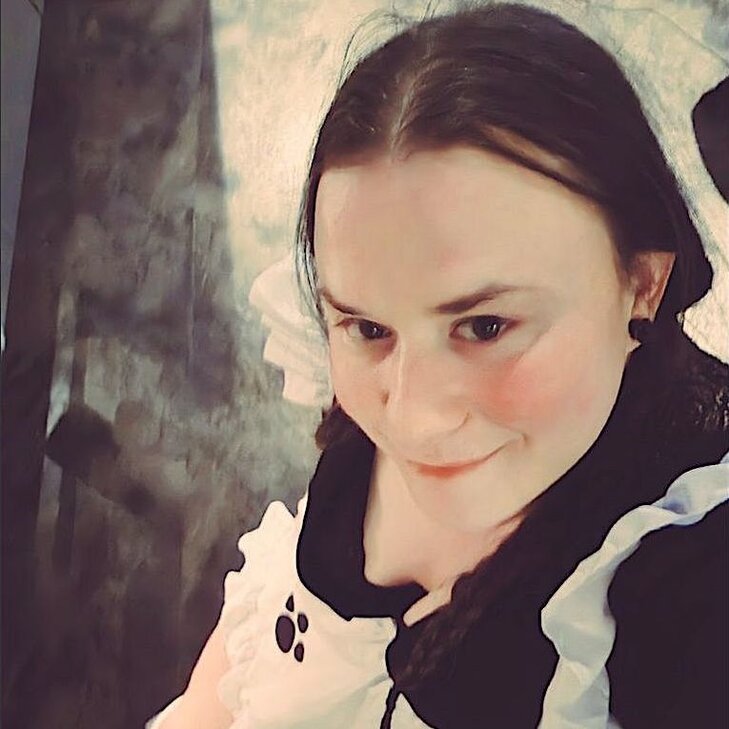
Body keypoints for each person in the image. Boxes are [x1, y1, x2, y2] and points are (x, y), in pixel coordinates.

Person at [149, 3, 729, 727]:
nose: (412, 419)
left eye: (484, 327)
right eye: (368, 328)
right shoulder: (364, 391)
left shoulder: (691, 579)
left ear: (641, 284)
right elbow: (233, 668)